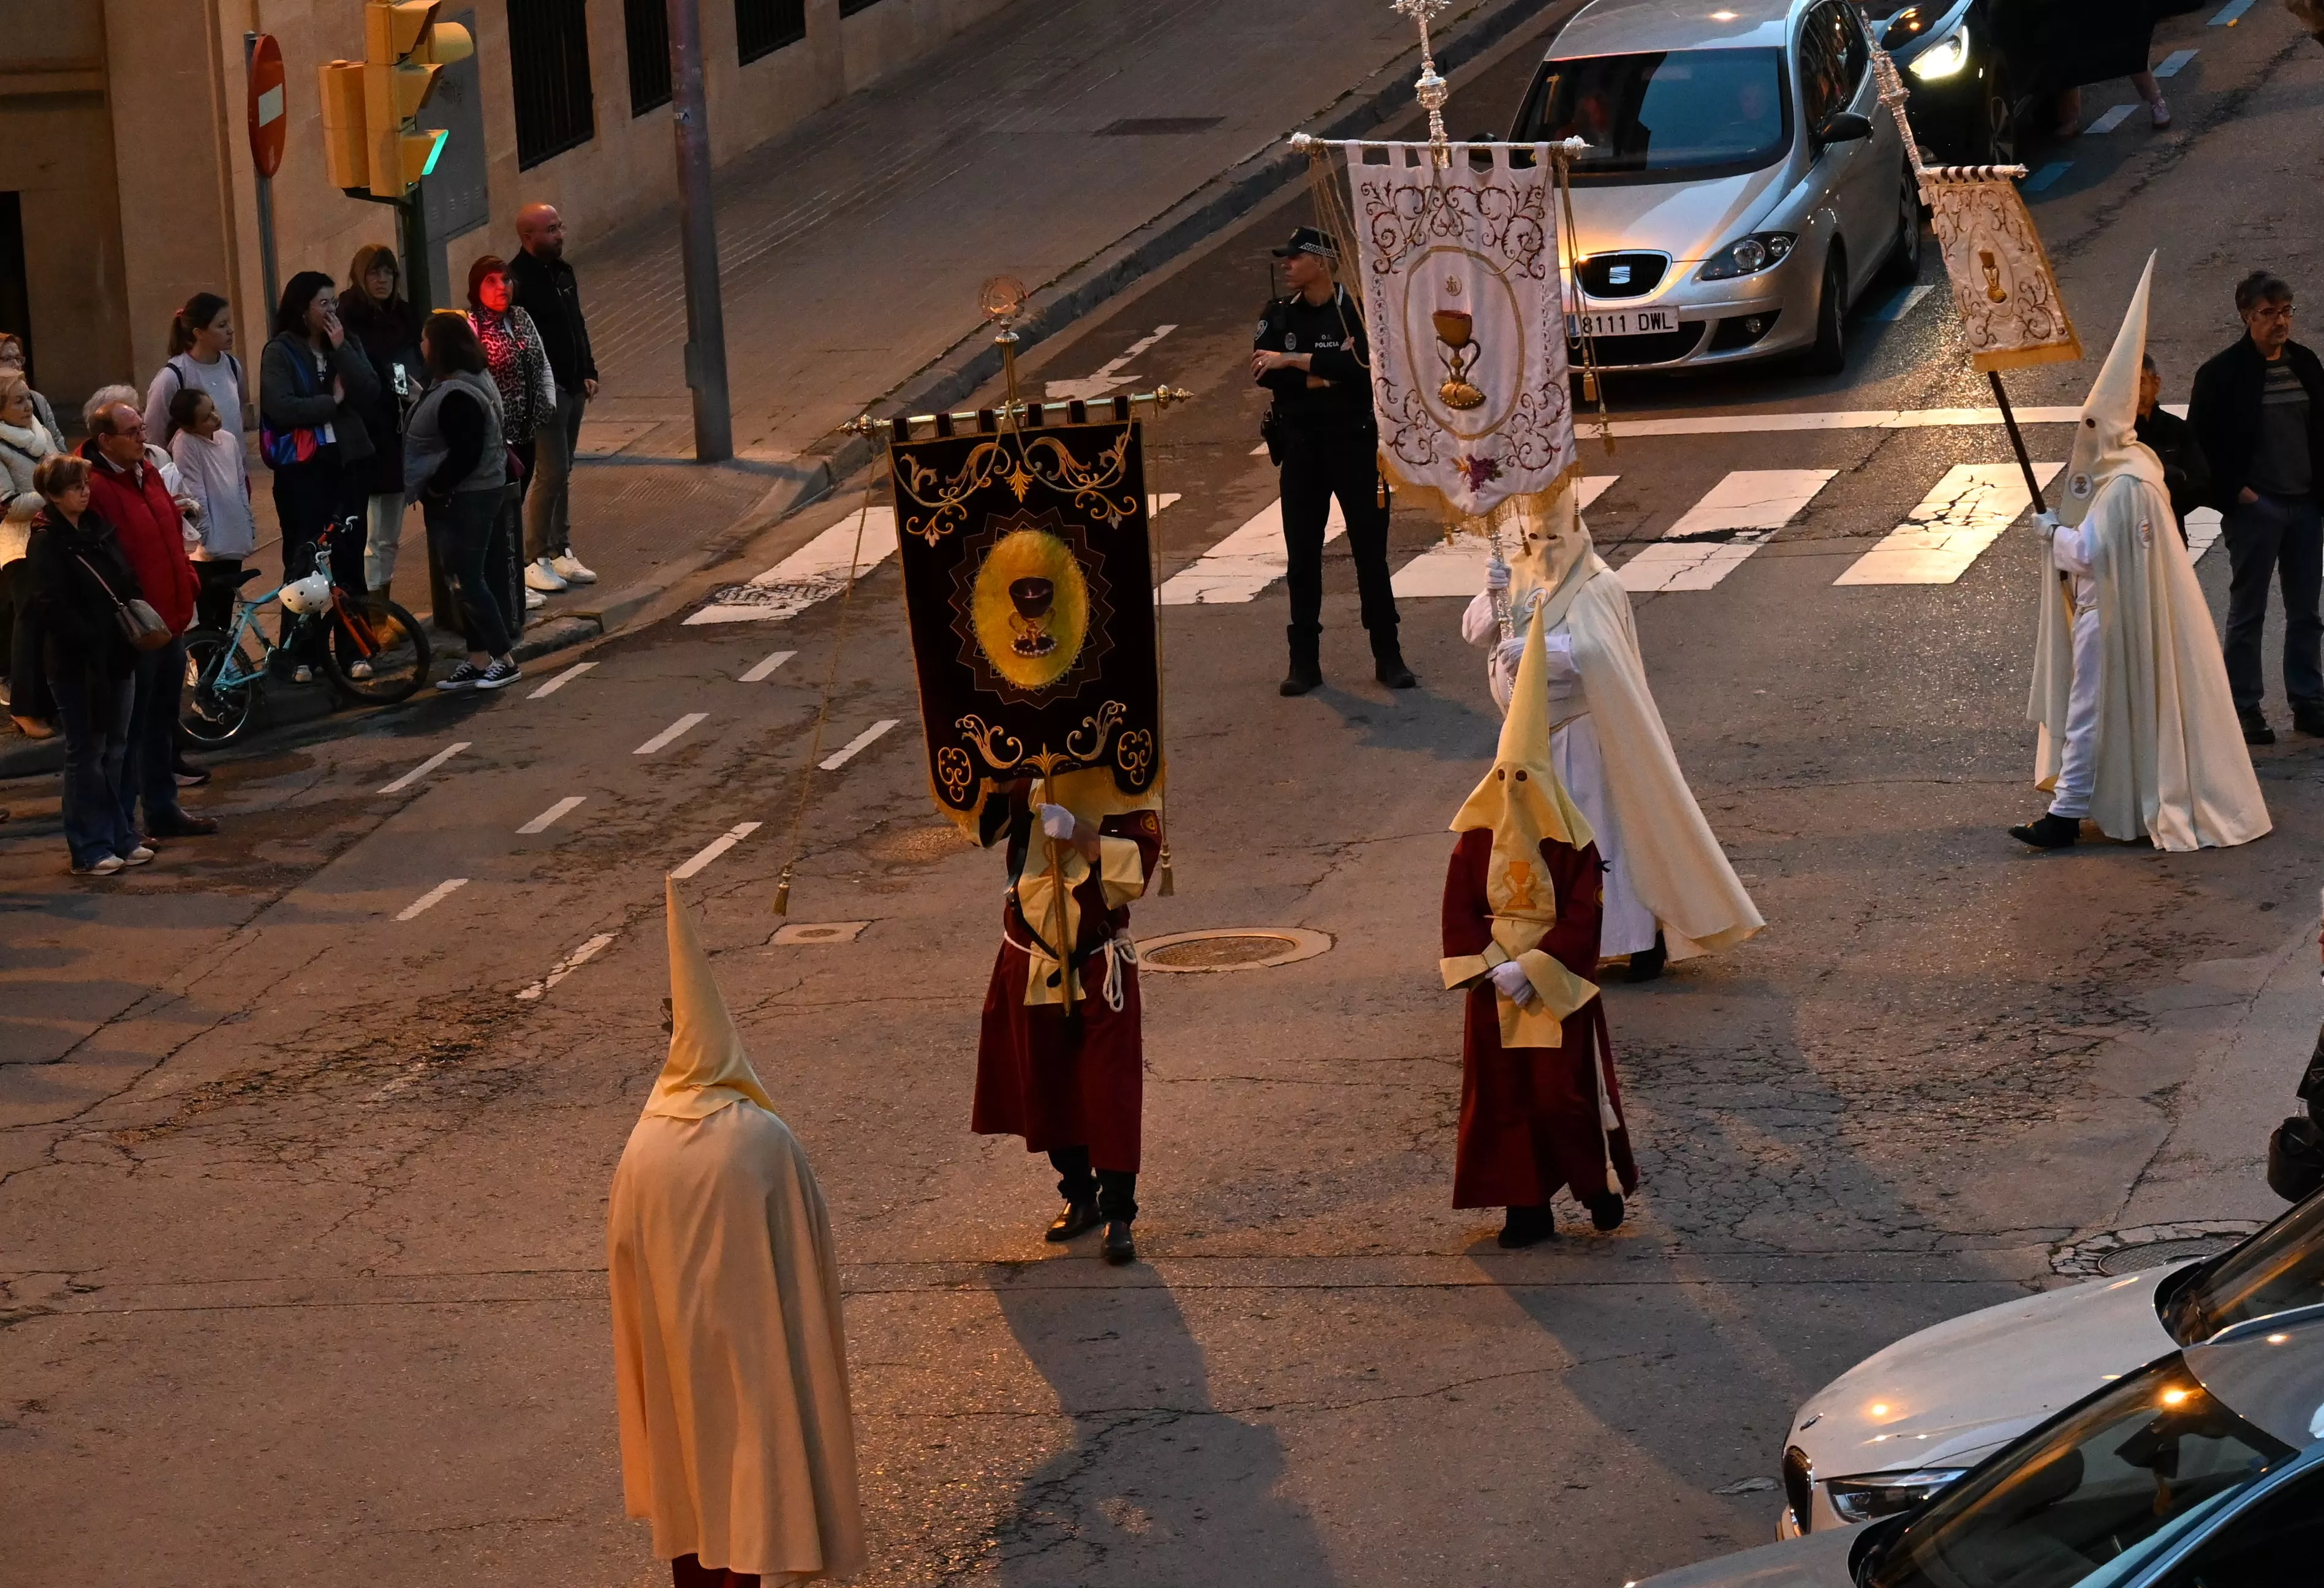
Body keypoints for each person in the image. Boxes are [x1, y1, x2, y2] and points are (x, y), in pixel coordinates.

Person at [608, 879, 867, 1588]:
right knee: (759, 1497)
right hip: (757, 1365)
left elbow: (626, 1278)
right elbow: (809, 1262)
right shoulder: (761, 1138)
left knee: (692, 1492)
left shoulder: (643, 1145)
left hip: (678, 1362)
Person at [2013, 256, 2268, 852]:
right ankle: (2087, 806)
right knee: (2105, 720)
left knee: (2084, 720)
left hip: (2110, 619)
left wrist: (2051, 534)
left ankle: (2065, 814)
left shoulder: (2124, 483)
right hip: (2129, 616)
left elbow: (2090, 555)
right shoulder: (2140, 469)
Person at [1461, 481, 1763, 981]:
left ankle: (1634, 942)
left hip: (1579, 737)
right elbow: (1477, 634)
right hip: (1525, 741)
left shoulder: (1596, 586)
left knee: (1598, 844)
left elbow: (1600, 655)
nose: (1543, 549)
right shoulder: (1515, 573)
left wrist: (1541, 652)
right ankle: (1542, 939)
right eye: (1535, 539)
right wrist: (1489, 593)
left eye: (1552, 539)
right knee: (1534, 846)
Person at [1440, 606, 1636, 1247]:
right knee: (1504, 1100)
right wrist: (1487, 964)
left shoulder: (1570, 843)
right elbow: (1459, 907)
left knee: (1563, 1098)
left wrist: (1536, 968)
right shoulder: (1476, 836)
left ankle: (1594, 1187)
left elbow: (1584, 913)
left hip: (1552, 985)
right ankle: (1524, 1205)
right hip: (1497, 984)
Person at [972, 776, 1162, 1264]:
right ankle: (1079, 1195)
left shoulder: (1126, 779)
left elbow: (1135, 872)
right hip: (1031, 953)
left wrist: (1079, 831)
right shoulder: (1027, 775)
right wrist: (998, 786)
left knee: (1108, 1088)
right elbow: (984, 832)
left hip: (1098, 959)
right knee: (1047, 1081)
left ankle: (1118, 1212)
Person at [1251, 227, 1412, 696]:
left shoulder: (1357, 312)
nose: (1286, 265)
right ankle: (1304, 663)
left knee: (1370, 554)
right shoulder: (1277, 314)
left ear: (1320, 262)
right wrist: (1324, 374)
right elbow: (1265, 375)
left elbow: (1368, 374)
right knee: (1302, 558)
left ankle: (1388, 655)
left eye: (1295, 257)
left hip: (1355, 445)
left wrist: (1295, 361)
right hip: (1301, 447)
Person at [2188, 268, 2324, 745]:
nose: (2279, 322)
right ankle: (2244, 708)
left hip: (2306, 507)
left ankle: (2308, 702)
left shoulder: (2305, 364)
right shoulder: (2221, 374)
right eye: (2268, 313)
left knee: (2306, 610)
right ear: (2247, 316)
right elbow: (2199, 446)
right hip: (2255, 511)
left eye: (2286, 311)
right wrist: (2240, 495)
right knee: (2248, 611)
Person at [81, 401, 214, 841]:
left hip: (170, 621)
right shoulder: (94, 488)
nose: (143, 437)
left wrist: (188, 578)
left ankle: (162, 809)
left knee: (161, 724)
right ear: (105, 441)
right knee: (130, 732)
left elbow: (168, 529)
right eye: (132, 432)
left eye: (142, 428)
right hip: (137, 629)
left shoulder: (147, 470)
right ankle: (124, 825)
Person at [26, 455, 148, 874]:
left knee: (117, 747)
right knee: (86, 752)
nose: (85, 491)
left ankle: (121, 835)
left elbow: (125, 576)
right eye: (75, 486)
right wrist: (92, 636)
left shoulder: (96, 527)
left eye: (85, 484)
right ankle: (89, 846)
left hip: (117, 655)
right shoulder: (46, 540)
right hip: (77, 665)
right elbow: (49, 605)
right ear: (54, 494)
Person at [405, 311, 520, 691]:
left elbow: (464, 451)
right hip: (480, 491)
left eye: (425, 339)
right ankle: (477, 660)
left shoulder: (457, 393)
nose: (421, 345)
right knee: (466, 579)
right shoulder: (468, 381)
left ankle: (503, 659)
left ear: (440, 347)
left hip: (466, 498)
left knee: (466, 579)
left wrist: (436, 487)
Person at [259, 270, 381, 614]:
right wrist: (332, 403)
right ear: (302, 309)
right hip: (303, 467)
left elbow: (370, 390)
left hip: (348, 461)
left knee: (350, 553)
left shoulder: (347, 341)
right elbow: (281, 407)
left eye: (334, 302)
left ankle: (353, 651)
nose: (331, 311)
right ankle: (302, 656)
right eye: (323, 303)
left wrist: (342, 348)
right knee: (304, 558)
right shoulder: (280, 351)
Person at [509, 202, 599, 597]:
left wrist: (588, 369)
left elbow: (575, 323)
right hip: (547, 392)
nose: (559, 235)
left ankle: (561, 548)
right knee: (551, 471)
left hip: (573, 384)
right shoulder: (517, 281)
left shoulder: (563, 273)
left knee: (565, 470)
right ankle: (536, 556)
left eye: (560, 227)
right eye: (550, 229)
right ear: (528, 237)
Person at [469, 254, 556, 620]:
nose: (502, 288)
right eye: (491, 281)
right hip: (498, 439)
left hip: (526, 431)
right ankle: (504, 585)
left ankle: (514, 578)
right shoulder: (473, 326)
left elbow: (541, 361)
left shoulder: (521, 318)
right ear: (476, 288)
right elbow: (476, 380)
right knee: (499, 513)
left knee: (514, 508)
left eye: (505, 280)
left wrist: (548, 403)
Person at [337, 245, 423, 602]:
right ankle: (368, 609)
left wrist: (407, 389)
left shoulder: (402, 315)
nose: (383, 280)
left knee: (388, 531)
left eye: (389, 273)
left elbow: (406, 362)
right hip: (361, 435)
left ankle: (380, 605)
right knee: (367, 532)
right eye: (375, 273)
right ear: (360, 276)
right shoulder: (347, 317)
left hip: (396, 431)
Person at [1, 368, 64, 738]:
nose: (29, 405)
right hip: (19, 548)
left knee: (52, 624)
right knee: (29, 625)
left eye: (29, 397)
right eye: (19, 400)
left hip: (51, 540)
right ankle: (25, 708)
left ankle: (52, 702)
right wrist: (56, 491)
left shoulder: (38, 433)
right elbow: (7, 506)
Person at [168, 387, 257, 632]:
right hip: (208, 548)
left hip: (233, 536)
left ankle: (225, 663)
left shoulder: (227, 439)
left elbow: (240, 484)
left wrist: (247, 524)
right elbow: (196, 494)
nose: (216, 418)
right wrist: (206, 537)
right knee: (209, 614)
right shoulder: (186, 444)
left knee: (225, 610)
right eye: (206, 417)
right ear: (190, 426)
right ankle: (210, 666)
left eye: (214, 409)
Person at [2135, 352, 2210, 544]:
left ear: (2156, 384)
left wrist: (2169, 495)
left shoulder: (2177, 429)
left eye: (2141, 383)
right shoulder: (2108, 434)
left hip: (2170, 539)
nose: (2134, 393)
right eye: (2126, 385)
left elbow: (2200, 481)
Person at [0, 333, 60, 439]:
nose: (17, 365)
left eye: (18, 358)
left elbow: (59, 445)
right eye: (7, 359)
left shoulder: (38, 400)